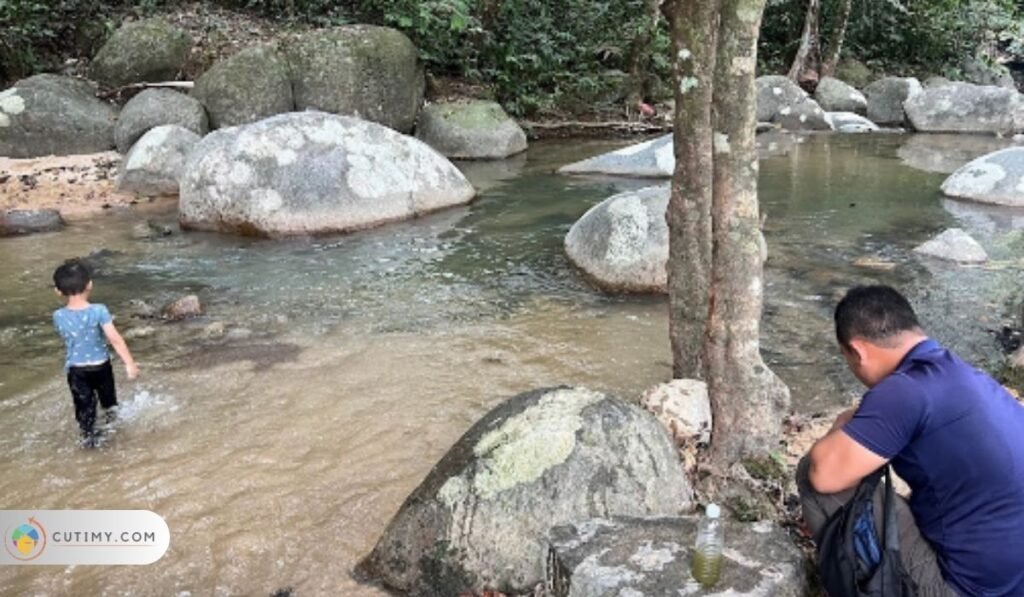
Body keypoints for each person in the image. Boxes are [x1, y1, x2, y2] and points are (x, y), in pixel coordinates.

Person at [797, 284, 1024, 596]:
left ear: (858, 351)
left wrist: (841, 422)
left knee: (814, 468)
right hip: (1009, 581)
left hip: (964, 589)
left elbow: (825, 474)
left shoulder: (905, 389)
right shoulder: (967, 376)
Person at [52, 259, 139, 447]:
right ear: (89, 284)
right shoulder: (99, 310)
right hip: (101, 366)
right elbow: (114, 339)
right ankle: (115, 433)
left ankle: (89, 440)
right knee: (109, 404)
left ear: (58, 291)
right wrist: (129, 363)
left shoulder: (58, 315)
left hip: (76, 370)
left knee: (84, 409)